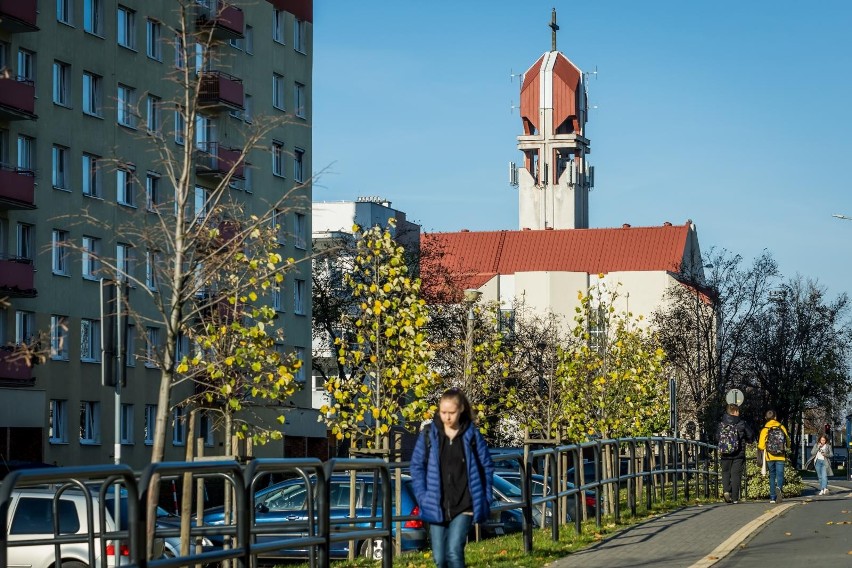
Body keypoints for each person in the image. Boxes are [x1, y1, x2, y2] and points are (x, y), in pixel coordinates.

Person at [410, 388, 494, 568]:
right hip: (436, 504)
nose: (447, 417)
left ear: (461, 409)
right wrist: (422, 497)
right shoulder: (429, 435)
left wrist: (485, 498)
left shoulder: (471, 435)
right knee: (440, 559)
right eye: (443, 412)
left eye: (451, 413)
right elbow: (416, 466)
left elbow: (486, 466)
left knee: (454, 553)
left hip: (464, 504)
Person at [717, 404, 754, 504]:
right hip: (739, 453)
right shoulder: (741, 423)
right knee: (736, 475)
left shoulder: (721, 424)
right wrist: (747, 440)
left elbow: (717, 437)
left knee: (725, 473)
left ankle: (726, 491)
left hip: (725, 453)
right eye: (738, 411)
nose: (739, 413)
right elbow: (750, 434)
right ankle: (735, 498)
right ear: (735, 412)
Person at [758, 410, 789, 504]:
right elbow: (787, 440)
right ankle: (778, 488)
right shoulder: (781, 427)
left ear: (766, 418)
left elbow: (761, 445)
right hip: (781, 455)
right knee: (780, 474)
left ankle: (772, 497)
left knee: (772, 475)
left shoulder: (765, 429)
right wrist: (787, 446)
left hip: (770, 456)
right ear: (775, 417)